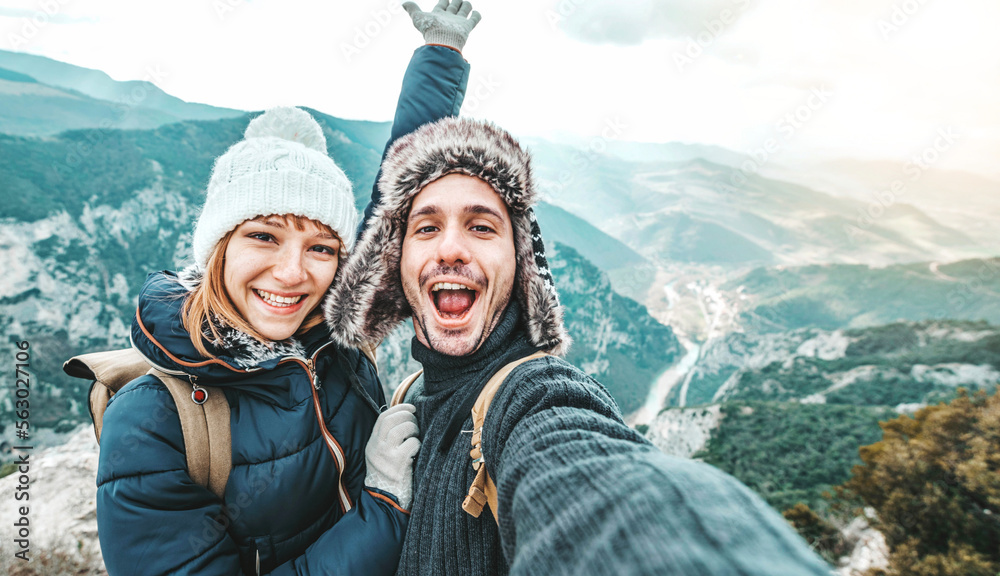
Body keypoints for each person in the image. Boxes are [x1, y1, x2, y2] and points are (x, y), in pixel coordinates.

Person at [327, 117, 836, 575]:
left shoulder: (529, 395)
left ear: (520, 261)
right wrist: (379, 502)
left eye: (482, 227)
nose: (452, 248)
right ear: (396, 263)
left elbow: (598, 485)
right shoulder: (410, 397)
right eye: (427, 227)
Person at [93, 3, 480, 574]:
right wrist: (384, 504)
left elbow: (399, 183)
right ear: (218, 246)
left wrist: (441, 54)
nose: (293, 273)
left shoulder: (333, 322)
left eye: (321, 247)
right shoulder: (152, 427)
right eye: (264, 237)